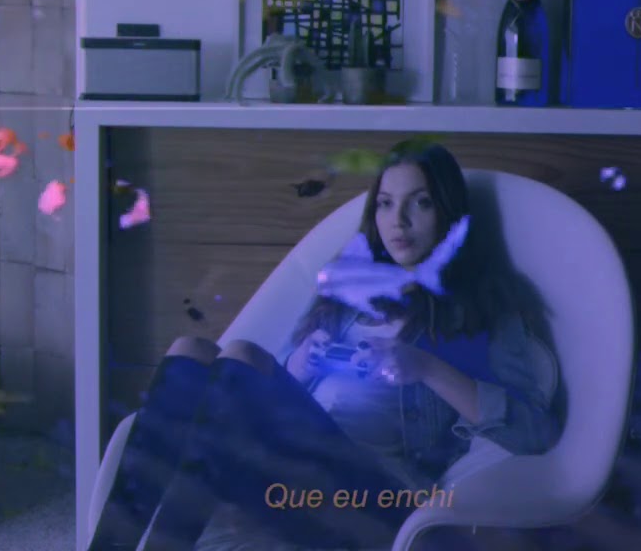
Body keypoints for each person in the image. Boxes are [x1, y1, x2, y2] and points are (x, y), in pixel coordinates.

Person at [87, 140, 562, 551]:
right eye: (385, 204)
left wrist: (426, 368)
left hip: (377, 496)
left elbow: (534, 430)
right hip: (292, 462)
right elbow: (258, 397)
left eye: (419, 203)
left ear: (448, 212)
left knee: (243, 354)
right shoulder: (350, 291)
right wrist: (299, 366)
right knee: (191, 348)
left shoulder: (480, 308)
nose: (398, 221)